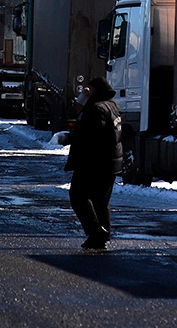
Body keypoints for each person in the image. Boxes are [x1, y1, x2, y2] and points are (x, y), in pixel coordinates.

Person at [61, 77, 123, 250]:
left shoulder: (96, 109)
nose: (84, 92)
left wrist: (68, 138)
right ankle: (101, 237)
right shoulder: (112, 105)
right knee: (100, 201)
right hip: (110, 162)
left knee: (78, 196)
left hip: (93, 162)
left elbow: (91, 136)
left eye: (87, 89)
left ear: (94, 90)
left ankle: (96, 232)